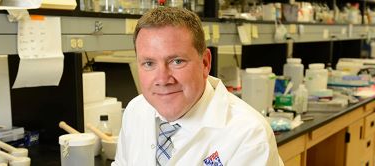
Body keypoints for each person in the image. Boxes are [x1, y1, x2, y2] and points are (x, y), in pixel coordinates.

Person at [112, 7, 284, 166]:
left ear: (205, 62)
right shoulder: (136, 110)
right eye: (149, 63)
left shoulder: (249, 134)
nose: (163, 79)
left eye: (177, 61)